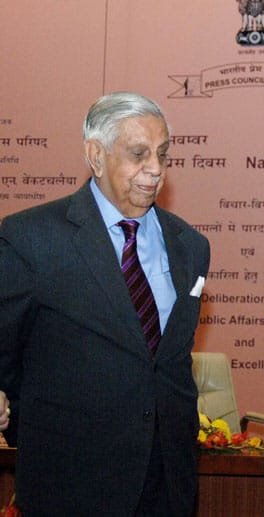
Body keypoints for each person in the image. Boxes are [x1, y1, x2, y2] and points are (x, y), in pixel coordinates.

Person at [0, 92, 210, 515]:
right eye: (138, 154)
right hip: (71, 478)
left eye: (162, 154)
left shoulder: (191, 245)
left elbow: (167, 359)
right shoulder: (31, 239)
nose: (155, 170)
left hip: (169, 480)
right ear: (95, 156)